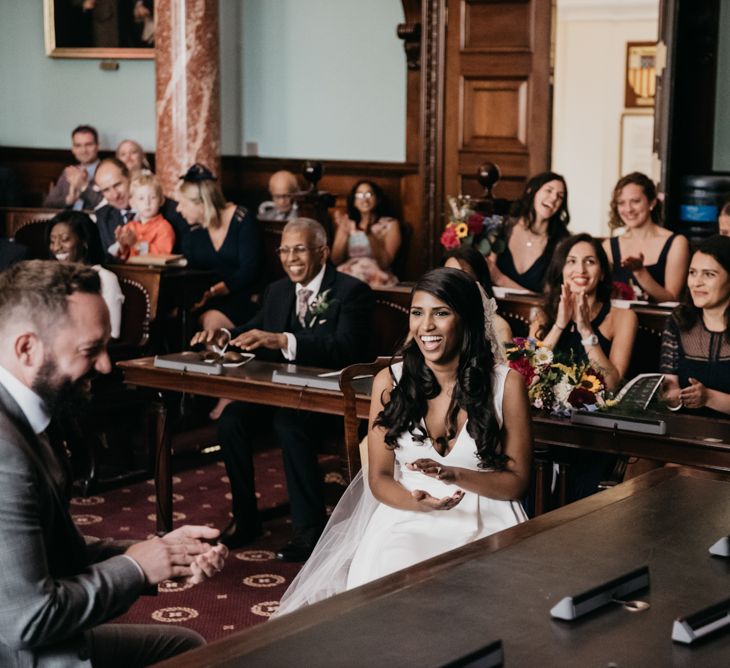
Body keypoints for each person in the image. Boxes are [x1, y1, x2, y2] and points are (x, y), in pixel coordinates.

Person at [0, 260, 227, 667]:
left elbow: (51, 549)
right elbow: (29, 620)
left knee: (185, 647)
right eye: (91, 350)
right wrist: (137, 568)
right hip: (17, 647)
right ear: (27, 348)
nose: (106, 365)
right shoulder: (4, 452)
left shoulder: (29, 408)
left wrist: (159, 553)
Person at [275, 267, 531, 613]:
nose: (426, 326)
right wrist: (417, 502)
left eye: (441, 313)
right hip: (407, 512)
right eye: (417, 312)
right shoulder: (389, 381)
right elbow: (378, 477)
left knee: (482, 600)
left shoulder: (508, 384)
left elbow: (516, 483)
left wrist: (453, 474)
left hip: (489, 515)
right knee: (396, 584)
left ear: (467, 319)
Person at [190, 218, 374, 559]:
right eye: (285, 250)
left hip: (332, 401)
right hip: (283, 396)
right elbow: (255, 328)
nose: (290, 257)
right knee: (232, 420)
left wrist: (283, 340)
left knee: (289, 424)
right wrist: (225, 337)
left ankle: (308, 530)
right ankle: (246, 519)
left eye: (299, 249)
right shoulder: (278, 290)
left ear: (322, 252)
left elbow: (345, 347)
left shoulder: (351, 291)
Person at [530, 234, 638, 500]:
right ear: (561, 271)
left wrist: (585, 329)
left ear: (601, 272)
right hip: (544, 430)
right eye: (572, 261)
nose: (580, 270)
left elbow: (613, 383)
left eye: (590, 261)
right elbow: (528, 375)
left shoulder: (622, 317)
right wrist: (559, 325)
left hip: (594, 434)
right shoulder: (543, 313)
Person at [176, 163, 261, 331]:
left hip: (244, 298)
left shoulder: (242, 219)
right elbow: (191, 271)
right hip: (208, 300)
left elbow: (251, 269)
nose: (178, 209)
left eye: (183, 204)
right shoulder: (193, 230)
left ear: (202, 204)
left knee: (211, 323)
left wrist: (217, 290)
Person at [660, 234, 730, 415]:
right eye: (692, 273)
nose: (696, 283)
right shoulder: (678, 320)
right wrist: (673, 394)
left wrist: (709, 397)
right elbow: (670, 383)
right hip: (687, 431)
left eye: (709, 274)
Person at [602, 172, 690, 302]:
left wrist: (640, 271)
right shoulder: (608, 246)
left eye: (635, 201)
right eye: (621, 203)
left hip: (658, 322)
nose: (628, 209)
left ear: (652, 203)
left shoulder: (677, 243)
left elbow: (671, 299)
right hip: (617, 321)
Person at [46, 210, 125, 339]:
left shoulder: (105, 278)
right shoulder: (51, 277)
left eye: (64, 239)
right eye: (52, 240)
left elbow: (112, 334)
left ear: (84, 241)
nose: (56, 247)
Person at [489, 171, 570, 293]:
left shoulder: (560, 243)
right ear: (531, 190)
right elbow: (488, 273)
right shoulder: (502, 226)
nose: (554, 198)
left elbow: (547, 299)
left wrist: (501, 280)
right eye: (549, 190)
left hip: (533, 311)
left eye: (560, 196)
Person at [93, 158, 186, 258]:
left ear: (129, 177)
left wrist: (136, 244)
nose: (115, 195)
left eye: (117, 185)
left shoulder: (174, 211)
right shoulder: (103, 216)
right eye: (106, 190)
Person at [331, 180, 401, 288]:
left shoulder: (390, 224)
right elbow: (335, 260)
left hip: (377, 276)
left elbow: (385, 263)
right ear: (354, 201)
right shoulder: (347, 222)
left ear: (377, 199)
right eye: (359, 194)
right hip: (349, 273)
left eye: (369, 194)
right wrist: (344, 233)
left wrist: (369, 234)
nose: (365, 198)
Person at [442, 245, 513, 348]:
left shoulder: (499, 328)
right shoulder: (428, 319)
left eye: (461, 278)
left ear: (480, 283)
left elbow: (504, 363)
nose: (452, 285)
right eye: (447, 277)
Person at [114, 172, 175, 260]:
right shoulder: (130, 227)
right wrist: (121, 243)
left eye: (153, 197)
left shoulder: (164, 228)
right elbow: (122, 256)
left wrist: (135, 243)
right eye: (141, 198)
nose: (147, 203)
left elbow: (162, 256)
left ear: (161, 200)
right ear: (133, 203)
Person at [44, 125, 103, 211]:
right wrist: (68, 200)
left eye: (88, 144)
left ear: (97, 146)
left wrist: (83, 187)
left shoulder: (107, 171)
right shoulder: (68, 172)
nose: (83, 150)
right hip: (67, 221)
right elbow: (48, 203)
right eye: (78, 145)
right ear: (73, 149)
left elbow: (108, 206)